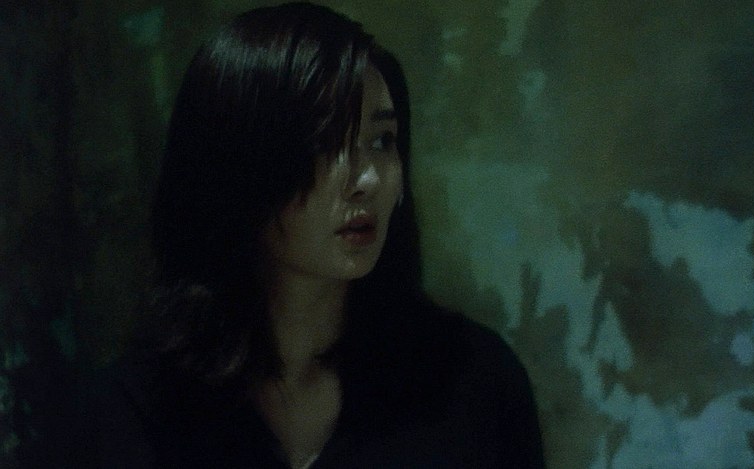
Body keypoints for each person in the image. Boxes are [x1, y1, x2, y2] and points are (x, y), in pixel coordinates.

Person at [90, 3, 544, 468]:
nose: (367, 180)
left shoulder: (473, 386)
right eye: (325, 143)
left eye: (382, 142)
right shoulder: (133, 414)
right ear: (236, 166)